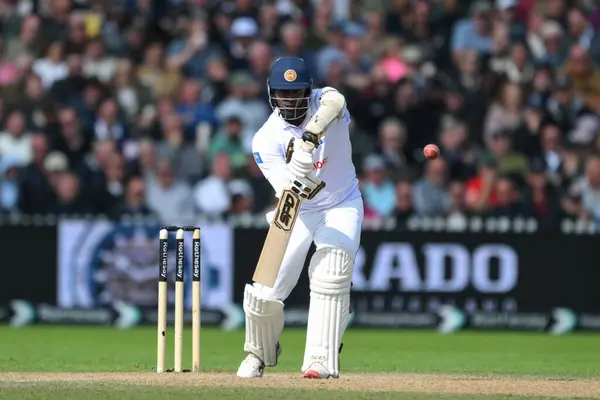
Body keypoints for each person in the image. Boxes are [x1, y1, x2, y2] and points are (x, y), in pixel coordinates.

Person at [236, 56, 363, 379]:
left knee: (331, 269)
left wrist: (308, 140)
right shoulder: (266, 139)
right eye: (282, 93)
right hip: (298, 210)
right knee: (264, 293)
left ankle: (320, 357)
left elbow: (337, 100)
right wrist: (298, 173)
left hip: (341, 203)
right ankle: (258, 353)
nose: (289, 100)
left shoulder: (326, 102)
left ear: (309, 91)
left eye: (295, 93)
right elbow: (287, 191)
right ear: (272, 93)